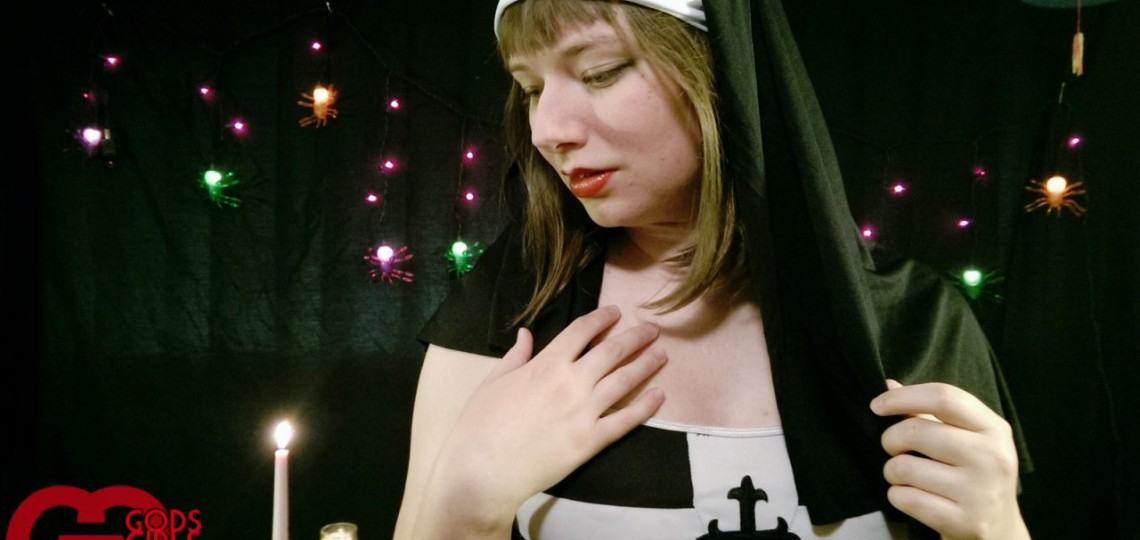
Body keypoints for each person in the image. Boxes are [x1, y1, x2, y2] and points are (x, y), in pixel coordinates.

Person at [393, 1, 1032, 539]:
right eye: (532, 89)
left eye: (599, 72)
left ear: (720, 71)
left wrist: (999, 529)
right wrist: (467, 501)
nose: (547, 130)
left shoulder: (918, 320)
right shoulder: (512, 307)